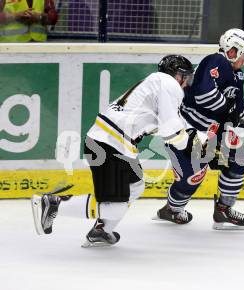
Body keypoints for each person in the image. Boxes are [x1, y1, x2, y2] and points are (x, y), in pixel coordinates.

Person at [31, 55, 195, 247]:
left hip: (110, 143)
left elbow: (161, 125)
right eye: (186, 77)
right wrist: (187, 143)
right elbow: (170, 128)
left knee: (135, 186)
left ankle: (101, 230)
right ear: (176, 74)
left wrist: (190, 134)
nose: (186, 83)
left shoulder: (155, 84)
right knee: (113, 208)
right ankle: (54, 204)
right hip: (110, 145)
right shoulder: (168, 83)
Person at [154, 28, 244, 230]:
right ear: (232, 50)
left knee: (240, 160)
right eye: (243, 55)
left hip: (214, 132)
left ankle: (223, 211)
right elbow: (203, 94)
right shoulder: (215, 61)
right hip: (188, 130)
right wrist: (228, 110)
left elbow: (239, 107)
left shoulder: (238, 76)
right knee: (192, 177)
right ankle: (172, 210)